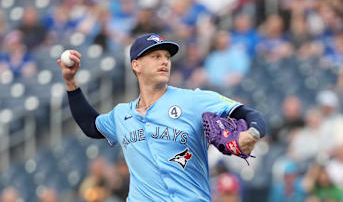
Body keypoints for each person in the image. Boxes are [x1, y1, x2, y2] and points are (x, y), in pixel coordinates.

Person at [57, 33, 266, 201]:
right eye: (155, 56)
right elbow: (90, 125)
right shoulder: (122, 114)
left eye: (167, 56)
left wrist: (252, 133)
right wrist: (70, 83)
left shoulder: (193, 100)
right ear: (136, 65)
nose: (164, 61)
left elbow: (248, 114)